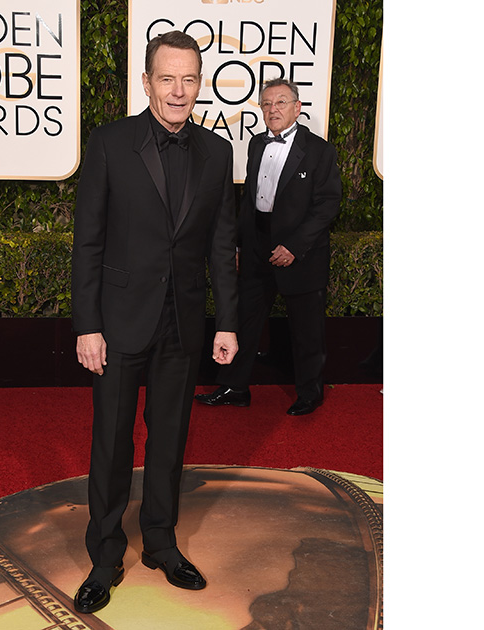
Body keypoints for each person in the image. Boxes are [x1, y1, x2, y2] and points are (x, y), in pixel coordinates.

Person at [71, 30, 239, 614]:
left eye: (189, 79)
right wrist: (87, 324)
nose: (178, 90)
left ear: (200, 83)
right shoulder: (109, 142)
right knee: (111, 442)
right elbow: (88, 241)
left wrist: (227, 322)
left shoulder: (217, 152)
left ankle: (162, 544)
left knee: (169, 440)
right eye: (167, 78)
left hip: (183, 322)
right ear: (146, 82)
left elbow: (222, 245)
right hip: (118, 321)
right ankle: (105, 556)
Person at [195, 78, 341, 416]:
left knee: (306, 330)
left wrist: (293, 246)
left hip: (300, 253)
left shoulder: (319, 150)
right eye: (266, 104)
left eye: (280, 103)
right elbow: (249, 200)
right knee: (244, 320)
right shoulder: (256, 144)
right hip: (257, 246)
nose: (273, 109)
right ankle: (234, 387)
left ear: (297, 108)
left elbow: (328, 204)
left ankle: (310, 394)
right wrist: (238, 244)